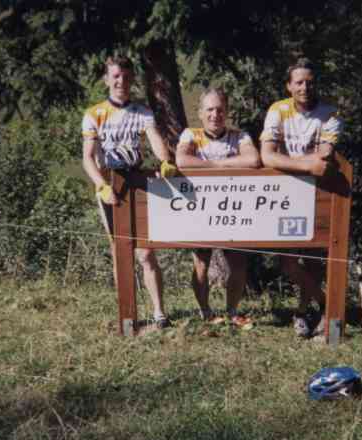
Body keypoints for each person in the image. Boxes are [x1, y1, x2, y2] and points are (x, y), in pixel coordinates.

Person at [81, 55, 178, 329]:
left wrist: (165, 160)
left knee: (146, 252)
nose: (121, 81)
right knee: (119, 252)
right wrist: (100, 185)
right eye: (115, 76)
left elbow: (156, 140)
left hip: (136, 183)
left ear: (132, 78)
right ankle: (127, 316)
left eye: (125, 76)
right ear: (106, 79)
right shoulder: (94, 114)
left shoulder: (142, 111)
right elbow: (87, 157)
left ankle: (159, 313)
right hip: (110, 185)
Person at [259, 57, 342, 338]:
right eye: (299, 82)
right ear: (289, 86)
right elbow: (267, 155)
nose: (305, 87)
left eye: (309, 82)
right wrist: (307, 165)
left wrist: (290, 160)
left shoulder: (330, 113)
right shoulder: (278, 110)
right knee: (288, 262)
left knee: (316, 259)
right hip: (285, 194)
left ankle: (304, 313)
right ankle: (325, 302)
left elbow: (326, 154)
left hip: (319, 193)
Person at [175, 88, 260, 327]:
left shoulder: (239, 136)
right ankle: (206, 313)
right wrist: (221, 165)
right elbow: (182, 160)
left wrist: (211, 165)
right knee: (201, 262)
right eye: (210, 109)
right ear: (201, 113)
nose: (215, 114)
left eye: (220, 109)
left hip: (234, 209)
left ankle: (232, 312)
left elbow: (253, 160)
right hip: (200, 209)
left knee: (238, 263)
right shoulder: (190, 134)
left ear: (227, 112)